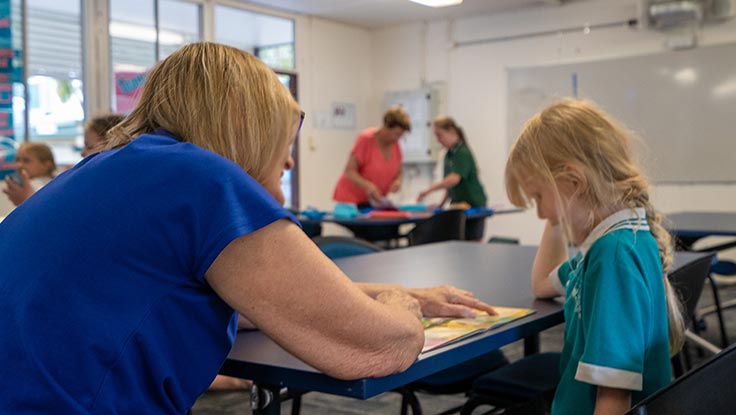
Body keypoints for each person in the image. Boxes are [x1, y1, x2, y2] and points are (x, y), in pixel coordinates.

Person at [0, 42, 495, 414]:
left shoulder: (112, 167)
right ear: (244, 121)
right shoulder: (202, 179)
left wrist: (387, 288)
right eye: (282, 149)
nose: (284, 170)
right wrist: (401, 306)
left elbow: (262, 294)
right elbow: (382, 346)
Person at [504, 99, 684, 415]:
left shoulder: (612, 259)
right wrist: (557, 213)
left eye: (538, 198)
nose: (541, 213)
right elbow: (543, 284)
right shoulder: (614, 243)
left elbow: (614, 397)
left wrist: (560, 204)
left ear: (574, 182)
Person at [417, 116, 488, 241]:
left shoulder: (462, 152)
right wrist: (440, 205)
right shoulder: (449, 155)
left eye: (440, 135)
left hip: (474, 205)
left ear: (451, 131)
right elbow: (449, 186)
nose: (439, 140)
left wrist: (429, 190)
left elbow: (454, 179)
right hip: (458, 207)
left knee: (473, 244)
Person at [333, 105, 410, 208]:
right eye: (395, 134)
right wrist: (369, 186)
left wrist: (398, 181)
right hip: (354, 201)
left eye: (400, 136)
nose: (397, 139)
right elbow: (350, 171)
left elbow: (399, 171)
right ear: (386, 126)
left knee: (391, 222)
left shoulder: (395, 144)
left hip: (377, 202)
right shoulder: (366, 139)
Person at [3, 141, 56, 206]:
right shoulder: (24, 186)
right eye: (17, 160)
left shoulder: (51, 189)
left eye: (26, 160)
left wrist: (25, 201)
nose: (19, 165)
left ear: (46, 165)